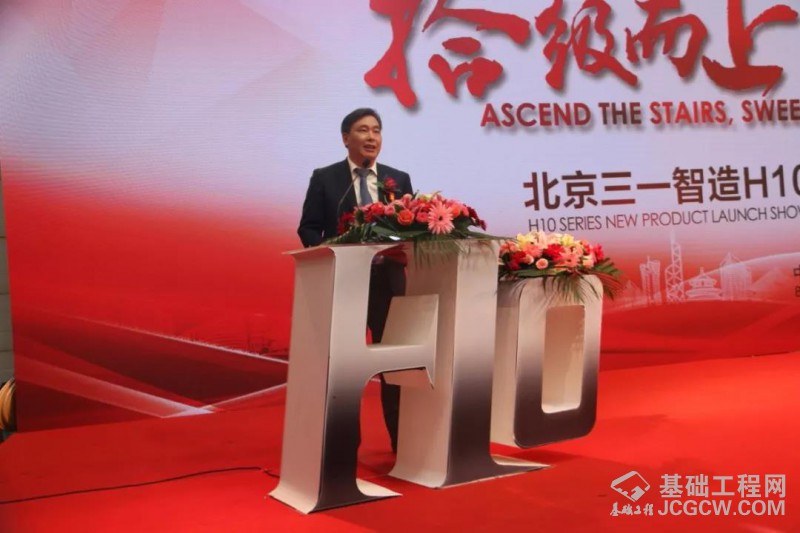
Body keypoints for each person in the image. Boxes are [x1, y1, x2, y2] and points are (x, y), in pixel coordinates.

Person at [297, 107, 413, 453]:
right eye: (363, 130)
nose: (371, 137)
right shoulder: (326, 178)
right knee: (344, 367)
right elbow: (308, 227)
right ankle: (343, 447)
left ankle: (402, 442)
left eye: (376, 130)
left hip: (388, 284)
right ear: (346, 138)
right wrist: (331, 253)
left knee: (395, 367)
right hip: (346, 285)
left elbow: (412, 226)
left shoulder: (398, 179)